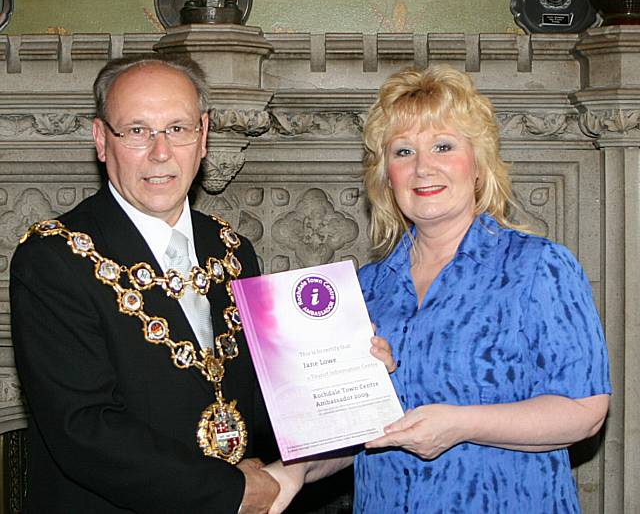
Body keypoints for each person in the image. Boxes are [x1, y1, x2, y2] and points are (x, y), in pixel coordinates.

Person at [264, 65, 611, 513]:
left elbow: (585, 411)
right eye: (403, 151)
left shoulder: (538, 267)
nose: (423, 167)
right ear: (386, 175)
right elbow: (359, 432)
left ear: (479, 164)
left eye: (443, 146)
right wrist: (295, 470)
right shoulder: (364, 290)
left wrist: (460, 424)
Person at [10, 54, 280, 513]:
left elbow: (265, 395)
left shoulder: (234, 251)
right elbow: (85, 430)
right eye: (137, 131)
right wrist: (233, 493)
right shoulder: (52, 260)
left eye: (177, 128)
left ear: (203, 136)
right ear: (101, 140)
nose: (161, 152)